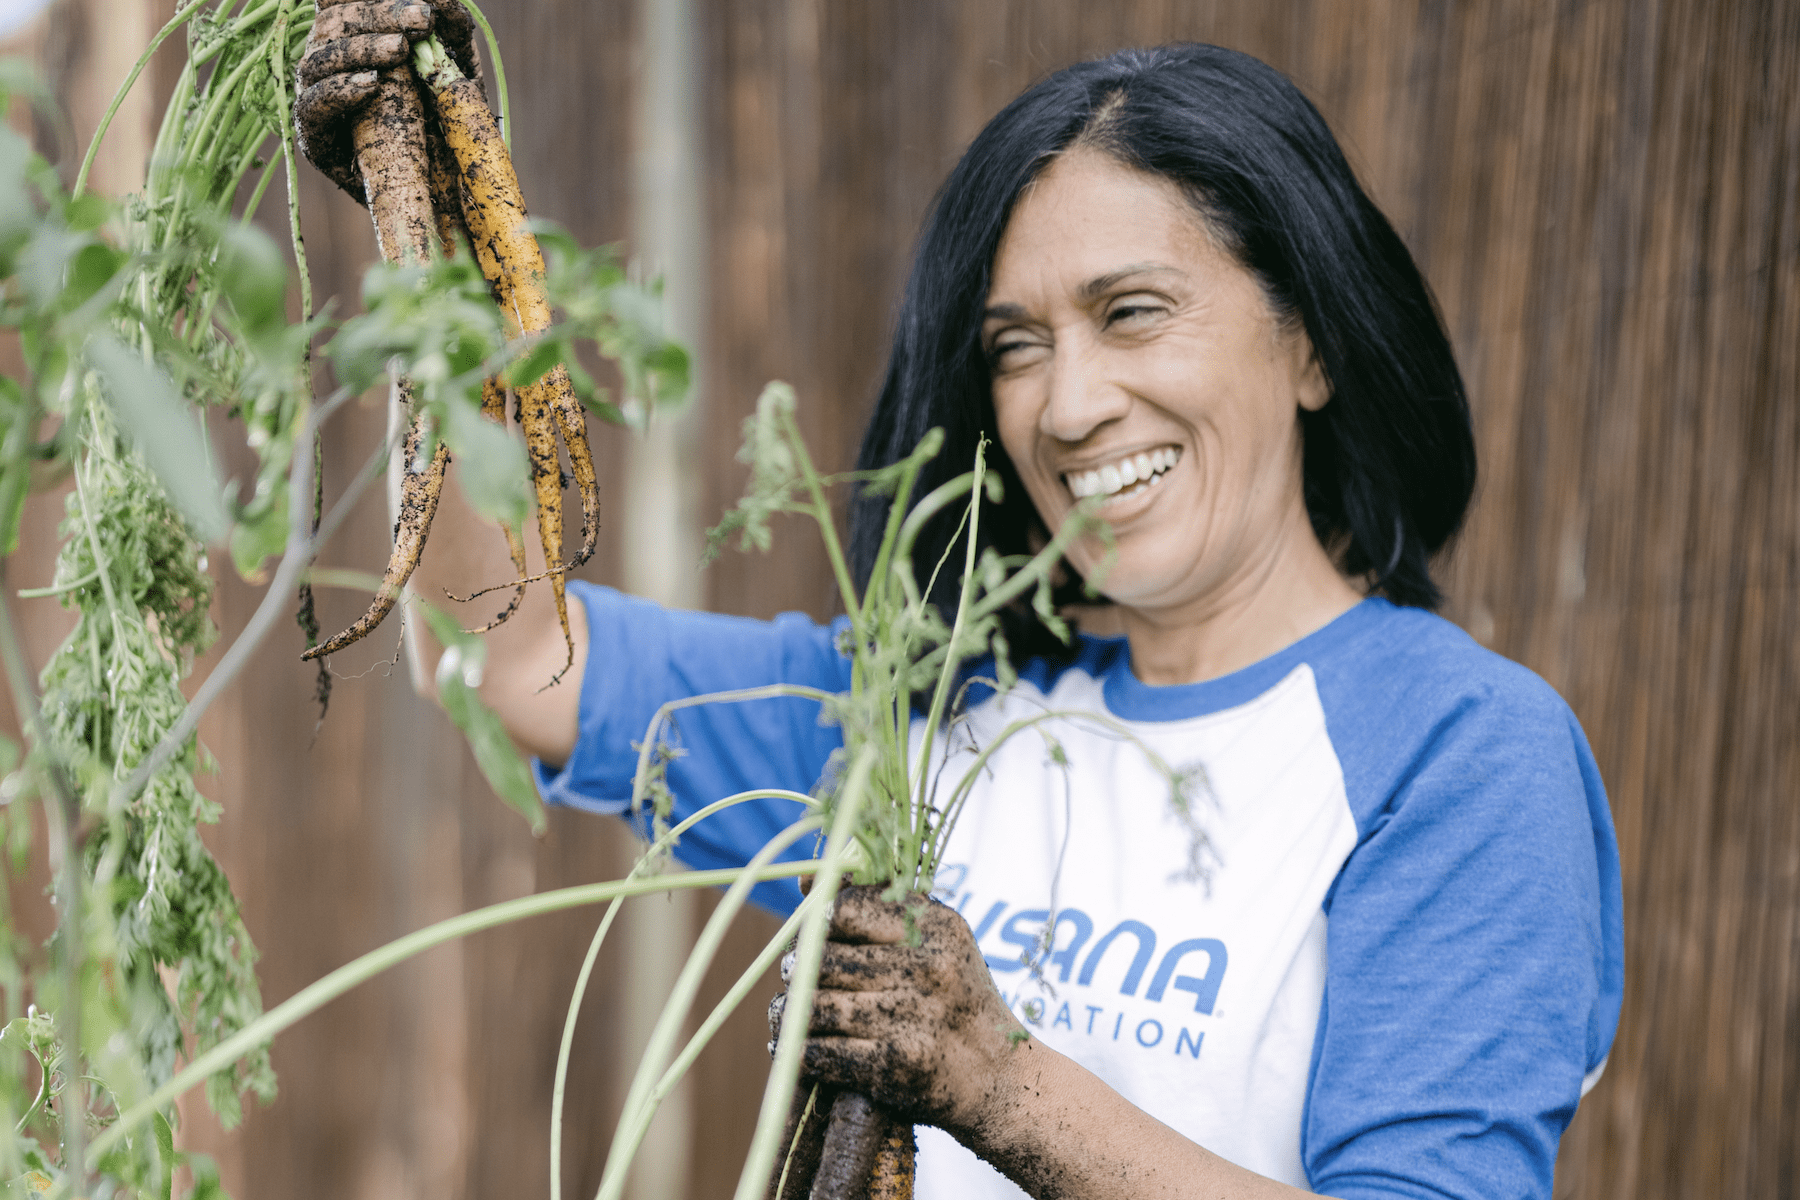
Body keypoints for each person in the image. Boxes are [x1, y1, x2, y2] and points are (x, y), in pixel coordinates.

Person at [297, 11, 1624, 1199]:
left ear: (1313, 343)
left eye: (1133, 312)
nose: (1068, 401)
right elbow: (511, 651)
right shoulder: (927, 718)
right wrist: (428, 224)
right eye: (1015, 345)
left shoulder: (1459, 753)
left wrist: (994, 1080)